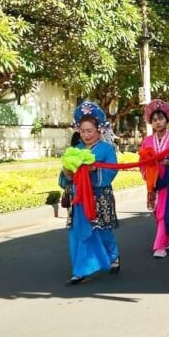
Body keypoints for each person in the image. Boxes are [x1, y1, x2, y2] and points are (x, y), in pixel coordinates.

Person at [60, 101, 120, 286]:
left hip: (99, 198)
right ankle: (81, 269)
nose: (86, 135)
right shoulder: (75, 150)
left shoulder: (107, 149)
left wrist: (94, 170)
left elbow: (112, 171)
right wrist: (67, 174)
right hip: (79, 199)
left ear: (99, 130)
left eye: (90, 131)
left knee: (103, 232)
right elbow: (63, 177)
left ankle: (113, 255)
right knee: (79, 233)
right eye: (83, 131)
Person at [140, 99, 169, 258]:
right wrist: (148, 175)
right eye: (154, 120)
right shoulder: (147, 141)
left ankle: (159, 246)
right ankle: (168, 237)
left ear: (167, 119)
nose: (158, 123)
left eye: (160, 119)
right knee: (157, 212)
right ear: (150, 123)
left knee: (163, 212)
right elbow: (142, 162)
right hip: (154, 182)